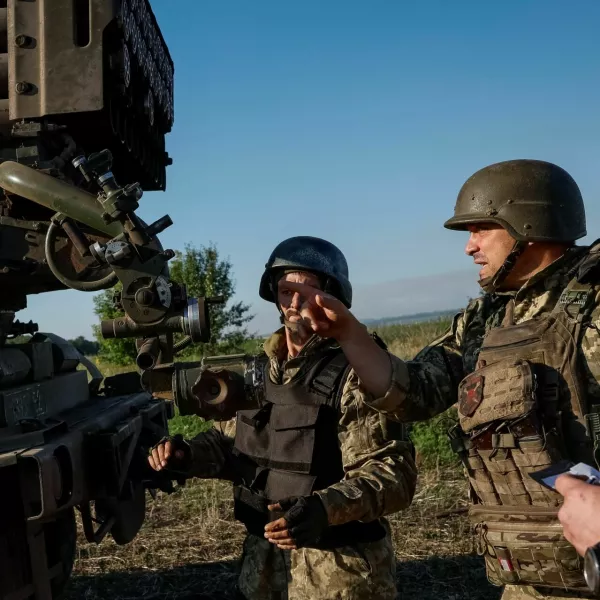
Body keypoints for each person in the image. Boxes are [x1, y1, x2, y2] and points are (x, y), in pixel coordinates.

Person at [256, 160, 600, 600]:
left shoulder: (591, 307)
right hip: (534, 573)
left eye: (480, 229)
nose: (469, 247)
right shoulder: (487, 319)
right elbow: (414, 393)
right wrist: (347, 333)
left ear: (528, 223)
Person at [148, 236, 418, 600]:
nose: (294, 304)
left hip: (338, 570)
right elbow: (230, 443)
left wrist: (324, 508)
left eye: (307, 292)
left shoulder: (356, 371)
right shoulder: (259, 372)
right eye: (284, 291)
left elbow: (392, 474)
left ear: (333, 296)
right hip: (264, 566)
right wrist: (184, 455)